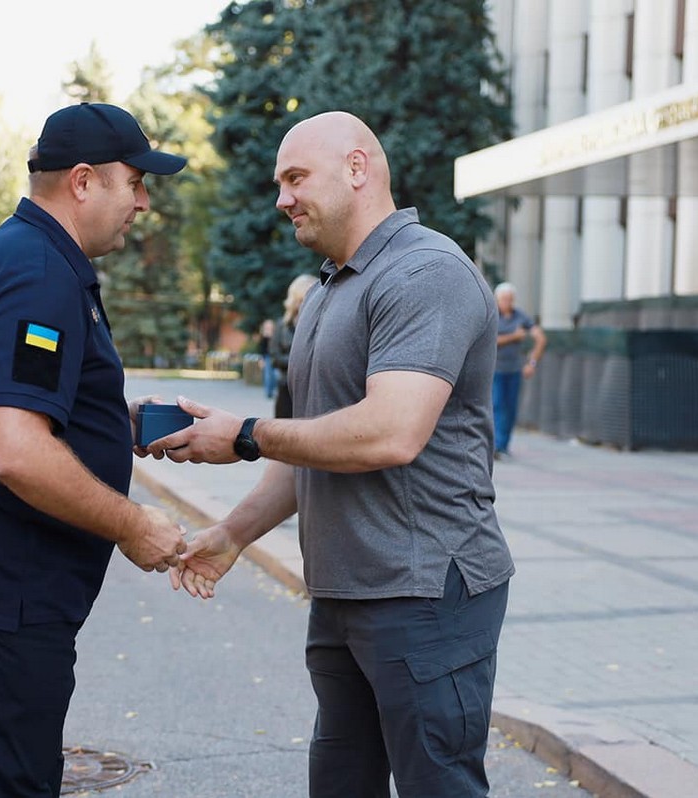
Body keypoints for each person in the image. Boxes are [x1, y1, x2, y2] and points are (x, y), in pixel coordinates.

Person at [145, 111, 516, 797]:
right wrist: (233, 533)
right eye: (279, 183)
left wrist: (248, 434)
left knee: (440, 788)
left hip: (426, 591)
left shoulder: (425, 272)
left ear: (356, 168)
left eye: (295, 178)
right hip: (344, 595)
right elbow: (311, 446)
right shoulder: (325, 291)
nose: (281, 198)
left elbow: (389, 432)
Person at [0, 102, 190, 798]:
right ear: (86, 181)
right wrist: (134, 524)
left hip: (3, 592)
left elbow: (34, 409)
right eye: (136, 182)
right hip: (4, 595)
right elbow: (13, 447)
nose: (144, 202)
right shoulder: (38, 272)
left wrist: (122, 424)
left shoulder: (35, 256)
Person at [492, 282, 547, 458]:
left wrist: (531, 363)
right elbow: (491, 341)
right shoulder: (492, 315)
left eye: (509, 299)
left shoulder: (520, 316)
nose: (506, 302)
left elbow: (540, 338)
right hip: (495, 369)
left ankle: (503, 446)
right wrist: (514, 336)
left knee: (511, 408)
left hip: (514, 369)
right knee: (497, 405)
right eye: (503, 299)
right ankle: (494, 445)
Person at [270, 273, 318, 418]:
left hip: (313, 390)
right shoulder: (282, 326)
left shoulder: (320, 323)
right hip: (287, 388)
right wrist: (300, 361)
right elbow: (275, 358)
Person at [258, 318, 277, 399]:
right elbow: (261, 349)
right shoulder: (263, 336)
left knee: (275, 374)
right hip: (267, 357)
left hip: (275, 357)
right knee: (267, 374)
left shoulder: (276, 335)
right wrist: (261, 359)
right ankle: (268, 392)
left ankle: (272, 390)